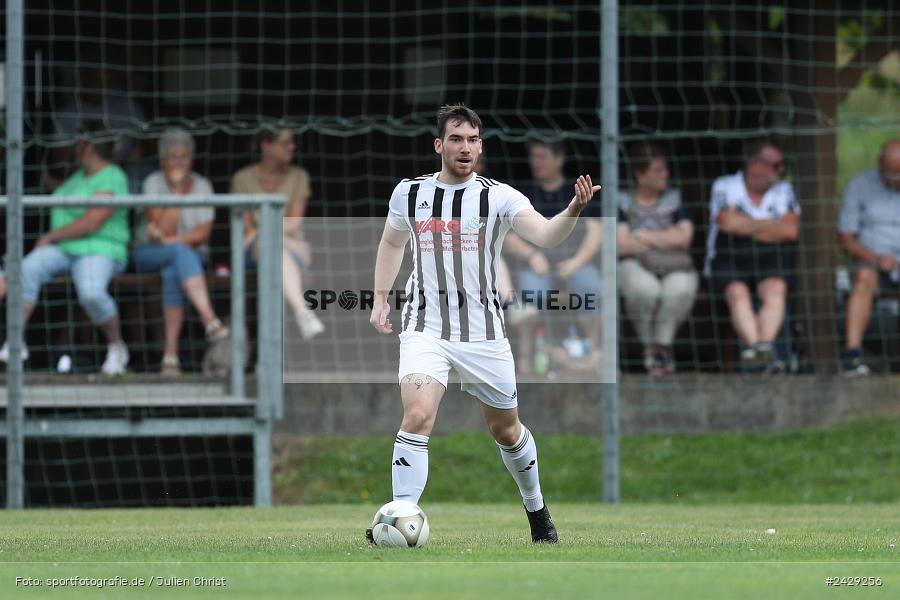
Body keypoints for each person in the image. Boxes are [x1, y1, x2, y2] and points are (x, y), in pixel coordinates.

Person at [368, 104, 599, 543]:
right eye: (456, 139)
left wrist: (572, 209)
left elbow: (546, 235)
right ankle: (401, 518)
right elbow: (392, 243)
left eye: (473, 140)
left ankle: (536, 509)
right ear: (439, 145)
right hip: (424, 326)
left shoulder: (500, 197)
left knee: (506, 430)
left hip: (484, 333)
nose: (465, 147)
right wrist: (381, 298)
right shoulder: (409, 193)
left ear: (481, 147)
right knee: (417, 415)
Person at [0, 121, 131, 374]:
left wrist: (51, 236)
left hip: (99, 248)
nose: (74, 148)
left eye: (78, 143)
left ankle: (117, 346)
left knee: (91, 292)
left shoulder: (113, 175)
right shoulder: (79, 176)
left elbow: (93, 221)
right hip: (65, 249)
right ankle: (15, 342)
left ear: (88, 145)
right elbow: (57, 189)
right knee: (27, 268)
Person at [133, 128, 230, 376]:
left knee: (172, 271)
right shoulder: (152, 183)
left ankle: (170, 356)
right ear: (162, 160)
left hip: (190, 255)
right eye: (173, 157)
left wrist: (173, 241)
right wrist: (176, 189)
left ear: (192, 159)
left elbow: (203, 234)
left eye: (184, 157)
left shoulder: (203, 185)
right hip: (149, 252)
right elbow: (164, 228)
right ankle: (209, 319)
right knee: (178, 253)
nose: (179, 163)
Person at [503, 139, 603, 373]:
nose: (536, 162)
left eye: (542, 156)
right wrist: (531, 256)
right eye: (533, 157)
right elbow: (506, 236)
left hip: (575, 263)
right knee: (532, 293)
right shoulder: (521, 194)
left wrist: (577, 262)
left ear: (559, 159)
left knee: (592, 287)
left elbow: (597, 231)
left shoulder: (577, 190)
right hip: (536, 266)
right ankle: (528, 357)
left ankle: (593, 352)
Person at [704, 139, 800, 372]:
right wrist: (771, 225)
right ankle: (759, 349)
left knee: (776, 289)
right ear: (754, 165)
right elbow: (727, 223)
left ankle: (762, 349)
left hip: (770, 258)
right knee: (737, 293)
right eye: (775, 165)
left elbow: (791, 231)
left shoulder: (784, 189)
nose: (781, 170)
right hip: (729, 256)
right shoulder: (725, 185)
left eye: (782, 165)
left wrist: (746, 225)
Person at [230, 127, 325, 339]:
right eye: (285, 142)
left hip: (286, 249)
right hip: (256, 248)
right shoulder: (242, 179)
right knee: (271, 247)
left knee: (275, 252)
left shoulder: (299, 176)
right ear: (266, 146)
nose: (292, 147)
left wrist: (270, 233)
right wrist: (285, 239)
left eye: (292, 142)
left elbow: (294, 223)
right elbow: (247, 228)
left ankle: (300, 317)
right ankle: (303, 311)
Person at [617, 142, 698, 376]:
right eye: (658, 170)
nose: (666, 174)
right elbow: (621, 245)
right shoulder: (621, 199)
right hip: (635, 264)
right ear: (640, 174)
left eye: (665, 169)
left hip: (674, 264)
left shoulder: (675, 197)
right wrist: (666, 237)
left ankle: (661, 347)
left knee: (679, 289)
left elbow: (685, 238)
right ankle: (651, 349)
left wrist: (641, 236)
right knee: (645, 290)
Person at [837, 139, 900, 376]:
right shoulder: (860, 186)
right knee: (864, 277)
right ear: (880, 164)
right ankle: (852, 355)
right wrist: (876, 260)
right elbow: (846, 238)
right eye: (892, 174)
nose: (896, 180)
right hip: (871, 262)